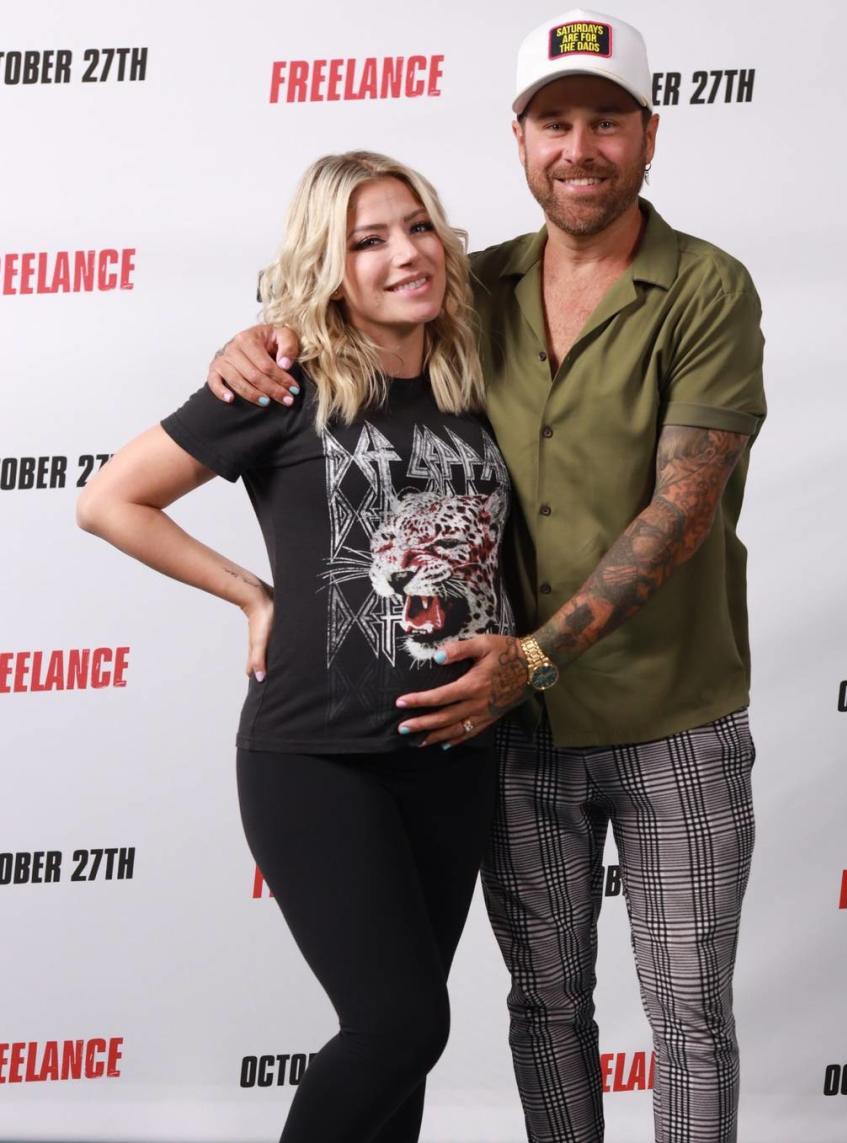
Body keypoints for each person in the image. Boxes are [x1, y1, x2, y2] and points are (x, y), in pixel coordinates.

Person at [205, 10, 766, 1142]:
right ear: (519, 140)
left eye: (606, 121)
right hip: (508, 729)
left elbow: (682, 506)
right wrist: (250, 346)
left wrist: (540, 656)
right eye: (553, 121)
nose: (580, 147)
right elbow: (347, 309)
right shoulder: (476, 289)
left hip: (671, 713)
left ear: (649, 136)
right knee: (545, 1005)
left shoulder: (708, 287)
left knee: (690, 1015)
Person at [76, 151, 515, 1143]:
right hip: (320, 754)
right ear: (330, 264)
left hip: (456, 756)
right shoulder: (281, 379)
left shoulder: (480, 381)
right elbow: (110, 499)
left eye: (417, 226)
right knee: (397, 1026)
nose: (405, 253)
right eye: (368, 240)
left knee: (404, 1061)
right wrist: (248, 594)